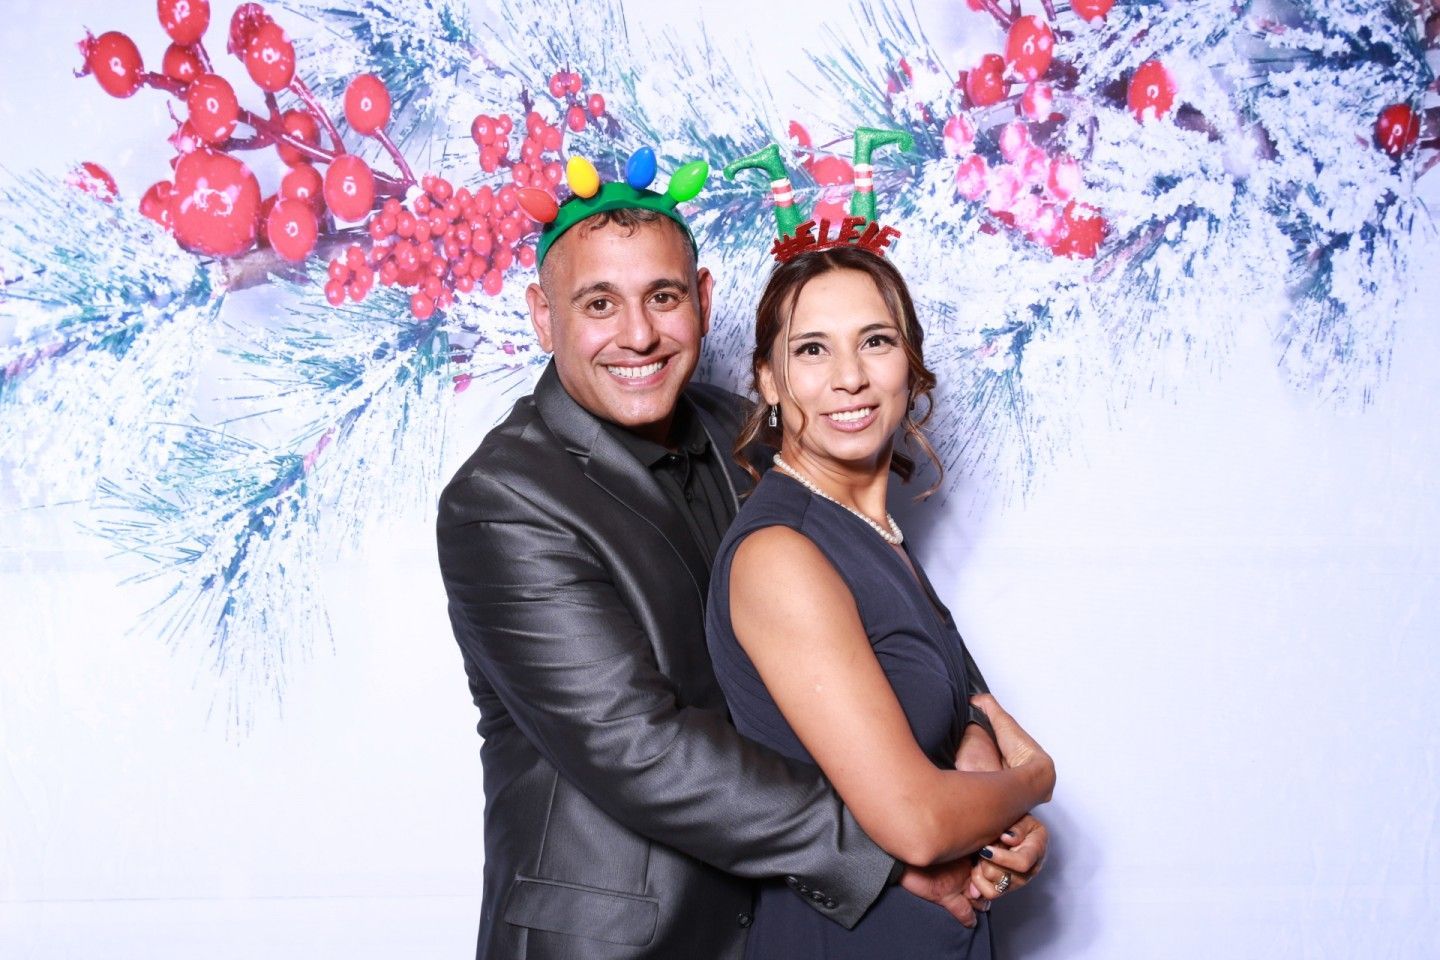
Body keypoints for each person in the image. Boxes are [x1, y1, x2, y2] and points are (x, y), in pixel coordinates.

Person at [435, 156, 1039, 960]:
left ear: (703, 300)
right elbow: (637, 746)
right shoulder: (502, 501)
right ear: (543, 318)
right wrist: (897, 851)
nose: (638, 334)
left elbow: (885, 597)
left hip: (781, 921)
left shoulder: (749, 434)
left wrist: (976, 763)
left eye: (663, 296)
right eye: (598, 303)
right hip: (622, 942)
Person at [706, 244, 1057, 958]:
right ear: (768, 379)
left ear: (910, 364)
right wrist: (1032, 781)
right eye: (812, 349)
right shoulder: (783, 553)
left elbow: (944, 722)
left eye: (875, 341)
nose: (850, 377)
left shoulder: (872, 534)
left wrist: (990, 805)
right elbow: (916, 823)